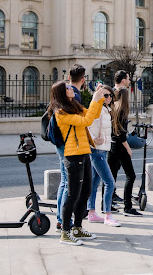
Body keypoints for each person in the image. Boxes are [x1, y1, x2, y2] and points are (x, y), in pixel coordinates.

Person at [49, 80, 107, 245]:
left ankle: (77, 227)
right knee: (72, 194)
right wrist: (95, 98)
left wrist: (99, 98)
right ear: (61, 93)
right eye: (67, 87)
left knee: (86, 191)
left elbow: (92, 115)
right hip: (73, 156)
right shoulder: (61, 112)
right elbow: (86, 121)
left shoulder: (73, 106)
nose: (71, 88)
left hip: (84, 153)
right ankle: (65, 232)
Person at [54, 64, 86, 231]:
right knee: (68, 184)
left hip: (60, 142)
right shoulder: (74, 96)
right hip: (68, 144)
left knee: (64, 182)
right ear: (83, 79)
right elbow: (82, 121)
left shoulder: (60, 93)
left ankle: (60, 218)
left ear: (68, 77)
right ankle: (63, 220)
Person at [86, 85, 121, 227]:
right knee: (110, 182)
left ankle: (91, 212)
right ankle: (108, 215)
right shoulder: (98, 109)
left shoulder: (107, 109)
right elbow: (88, 126)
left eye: (110, 95)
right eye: (105, 95)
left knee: (94, 183)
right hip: (97, 149)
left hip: (102, 149)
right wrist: (94, 141)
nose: (108, 98)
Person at [108, 87, 142, 216]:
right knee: (130, 175)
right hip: (119, 146)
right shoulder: (121, 110)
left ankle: (107, 204)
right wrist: (128, 148)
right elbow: (121, 134)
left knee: (110, 177)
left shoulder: (112, 108)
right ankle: (128, 207)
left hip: (112, 145)